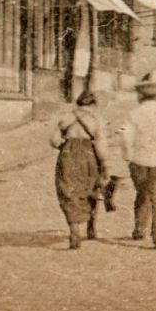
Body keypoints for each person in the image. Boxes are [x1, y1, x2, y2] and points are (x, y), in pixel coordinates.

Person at [120, 71, 156, 249]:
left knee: (142, 194)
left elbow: (124, 137)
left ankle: (139, 228)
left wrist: (128, 155)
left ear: (140, 95)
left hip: (139, 160)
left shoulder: (132, 114)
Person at [50, 91, 110, 249]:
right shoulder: (97, 119)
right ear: (93, 104)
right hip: (89, 156)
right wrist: (104, 165)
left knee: (68, 191)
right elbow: (101, 146)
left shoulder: (66, 118)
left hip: (67, 156)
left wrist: (66, 145)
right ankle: (91, 227)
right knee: (91, 188)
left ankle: (74, 229)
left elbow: (54, 140)